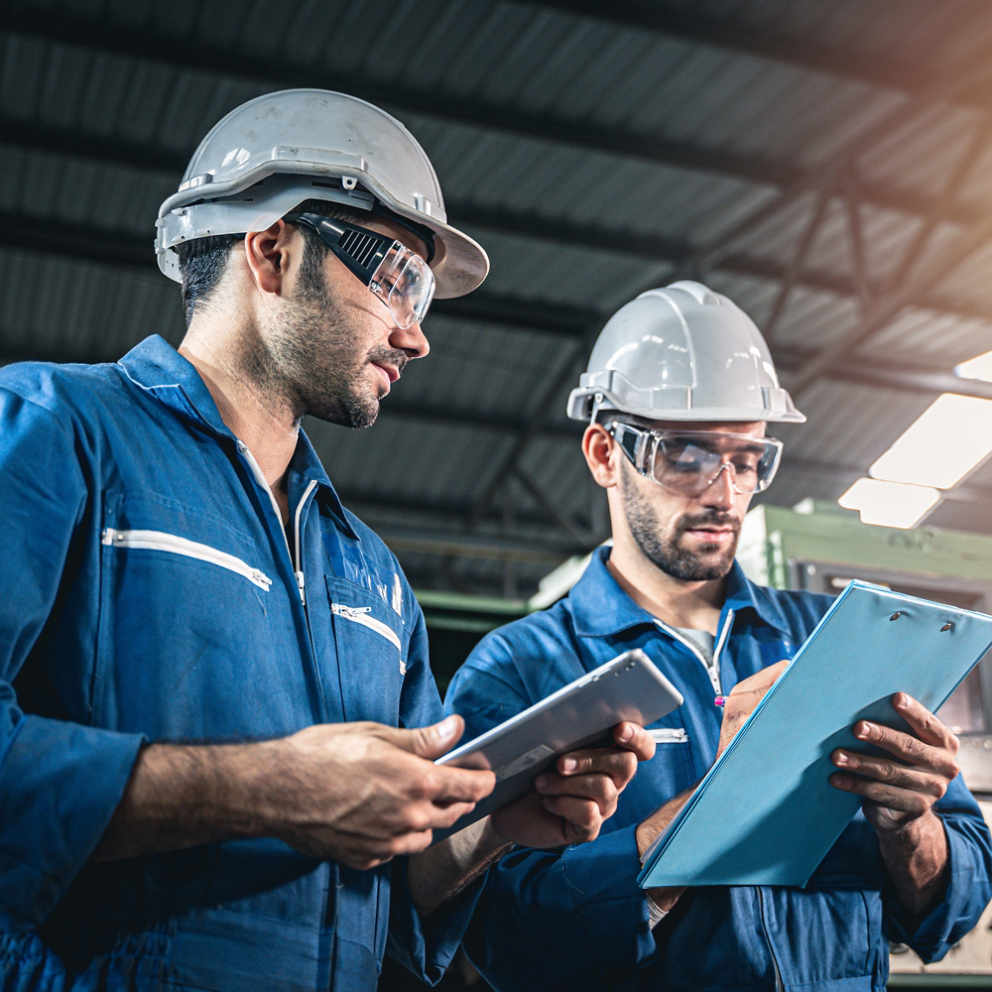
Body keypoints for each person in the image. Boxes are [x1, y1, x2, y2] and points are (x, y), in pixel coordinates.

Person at [0, 89, 655, 992]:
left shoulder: (372, 577)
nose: (417, 335)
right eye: (396, 277)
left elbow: (390, 891)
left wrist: (491, 825)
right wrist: (270, 788)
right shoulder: (51, 432)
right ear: (272, 251)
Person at [444, 280, 992, 992]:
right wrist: (711, 816)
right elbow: (492, 936)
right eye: (688, 455)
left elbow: (954, 910)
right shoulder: (520, 670)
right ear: (606, 453)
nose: (725, 492)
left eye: (748, 459)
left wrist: (908, 827)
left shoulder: (831, 639)